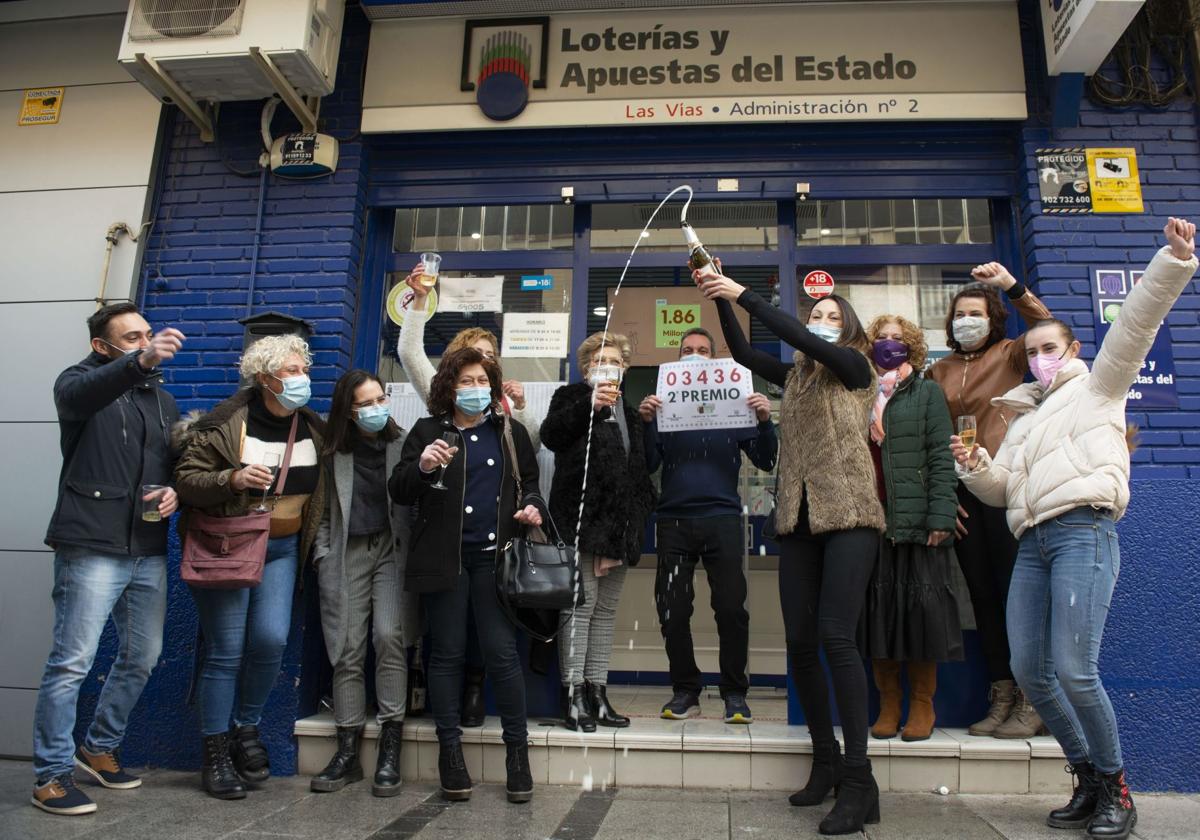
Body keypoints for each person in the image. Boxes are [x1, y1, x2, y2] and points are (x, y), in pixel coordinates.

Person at [952, 218, 1197, 840]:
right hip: (1032, 543)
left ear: (1072, 352)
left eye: (1049, 349)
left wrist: (1172, 261)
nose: (1038, 360)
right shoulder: (1021, 418)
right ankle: (1086, 779)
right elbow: (1001, 489)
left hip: (1082, 534)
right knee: (1032, 670)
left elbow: (1135, 327)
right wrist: (977, 465)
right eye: (1031, 352)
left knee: (1074, 669)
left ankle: (1117, 789)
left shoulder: (1099, 389)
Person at [700, 259, 883, 836]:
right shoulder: (798, 379)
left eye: (833, 316)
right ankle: (825, 761)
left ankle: (859, 778)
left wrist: (746, 293)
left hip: (851, 515)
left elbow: (800, 338)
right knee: (800, 643)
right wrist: (719, 297)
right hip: (797, 519)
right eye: (817, 314)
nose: (822, 322)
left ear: (849, 330)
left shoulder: (856, 367)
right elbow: (742, 356)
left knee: (835, 634)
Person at [32, 304, 183, 816]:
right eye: (133, 337)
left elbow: (166, 464)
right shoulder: (78, 383)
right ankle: (50, 776)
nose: (146, 343)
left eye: (147, 334)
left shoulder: (161, 400)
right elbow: (82, 396)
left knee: (142, 655)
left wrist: (174, 495)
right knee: (72, 661)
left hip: (145, 546)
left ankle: (98, 746)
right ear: (104, 347)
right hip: (90, 543)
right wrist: (137, 363)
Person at [173, 334, 327, 800]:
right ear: (265, 379)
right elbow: (186, 480)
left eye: (304, 370)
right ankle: (216, 753)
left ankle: (246, 727)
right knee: (226, 650)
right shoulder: (224, 424)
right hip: (227, 545)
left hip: (281, 548)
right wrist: (232, 477)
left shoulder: (312, 427)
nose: (303, 379)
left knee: (270, 639)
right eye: (292, 372)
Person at [389, 347, 546, 804]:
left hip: (497, 560)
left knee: (502, 655)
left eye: (483, 381)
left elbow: (531, 483)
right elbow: (399, 490)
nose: (475, 389)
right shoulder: (426, 431)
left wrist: (533, 506)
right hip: (444, 560)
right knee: (447, 655)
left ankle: (518, 755)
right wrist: (422, 467)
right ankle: (450, 755)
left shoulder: (510, 432)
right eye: (466, 381)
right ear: (449, 387)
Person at [395, 262, 540, 723]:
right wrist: (419, 301)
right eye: (474, 359)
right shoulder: (439, 407)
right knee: (449, 637)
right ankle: (451, 718)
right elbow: (411, 353)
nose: (482, 369)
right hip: (447, 544)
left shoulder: (502, 405)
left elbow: (530, 456)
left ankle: (478, 691)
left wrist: (520, 408)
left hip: (497, 545)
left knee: (495, 638)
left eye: (490, 359)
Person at [928, 261, 1053, 739]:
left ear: (992, 317)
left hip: (1005, 486)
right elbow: (934, 437)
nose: (966, 320)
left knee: (1016, 594)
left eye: (975, 312)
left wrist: (1011, 287)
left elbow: (1047, 329)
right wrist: (946, 495)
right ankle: (1001, 693)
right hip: (963, 493)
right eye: (959, 313)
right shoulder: (938, 369)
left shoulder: (1011, 354)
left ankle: (1032, 698)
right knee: (981, 594)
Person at [638, 327, 777, 724]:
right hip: (674, 521)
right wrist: (647, 421)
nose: (694, 356)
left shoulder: (734, 406)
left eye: (702, 350)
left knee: (732, 609)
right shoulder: (663, 405)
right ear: (677, 359)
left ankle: (735, 693)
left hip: (723, 520)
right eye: (687, 350)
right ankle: (686, 690)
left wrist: (765, 420)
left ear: (716, 362)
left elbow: (766, 461)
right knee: (673, 610)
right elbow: (648, 465)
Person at [541, 332, 656, 732]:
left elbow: (638, 467)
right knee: (579, 608)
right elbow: (550, 436)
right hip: (580, 522)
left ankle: (597, 692)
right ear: (586, 367)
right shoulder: (570, 397)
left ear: (625, 369)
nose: (608, 367)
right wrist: (588, 406)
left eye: (616, 361)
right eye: (600, 360)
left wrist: (640, 513)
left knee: (605, 613)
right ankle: (572, 695)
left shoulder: (628, 408)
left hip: (620, 527)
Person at [310, 370, 415, 797]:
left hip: (390, 550)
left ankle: (392, 746)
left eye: (379, 399)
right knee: (347, 648)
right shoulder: (332, 450)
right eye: (365, 404)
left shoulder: (401, 442)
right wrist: (323, 553)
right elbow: (318, 508)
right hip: (346, 551)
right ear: (348, 412)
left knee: (389, 636)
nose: (376, 409)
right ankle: (347, 751)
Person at [863, 315, 962, 743]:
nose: (888, 345)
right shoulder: (860, 394)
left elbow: (943, 456)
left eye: (897, 339)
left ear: (914, 347)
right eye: (881, 338)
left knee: (922, 613)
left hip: (918, 519)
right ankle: (888, 703)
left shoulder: (927, 393)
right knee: (878, 615)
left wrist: (942, 514)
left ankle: (922, 703)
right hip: (871, 520)